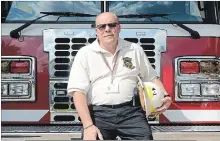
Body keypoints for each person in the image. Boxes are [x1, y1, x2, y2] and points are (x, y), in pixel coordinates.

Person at [67, 12, 171, 140]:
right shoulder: (84, 54)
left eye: (112, 25)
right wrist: (88, 126)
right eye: (102, 26)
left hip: (130, 113)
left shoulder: (134, 49)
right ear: (96, 31)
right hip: (98, 114)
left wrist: (165, 95)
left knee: (145, 137)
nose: (107, 29)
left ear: (119, 27)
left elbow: (151, 77)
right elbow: (78, 92)